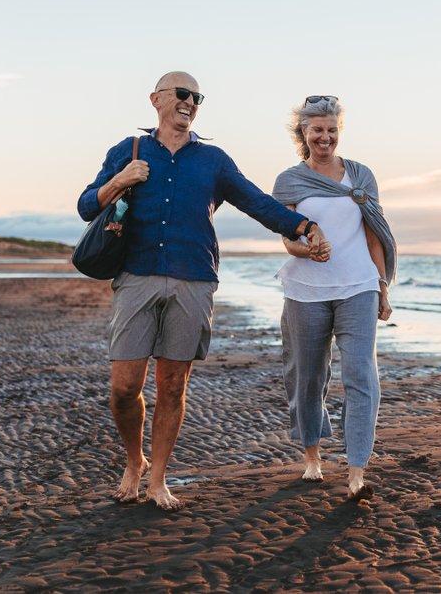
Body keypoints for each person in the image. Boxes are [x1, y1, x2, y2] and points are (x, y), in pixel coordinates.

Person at [76, 72, 329, 510]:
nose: (190, 102)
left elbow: (256, 201)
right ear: (156, 99)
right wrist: (122, 179)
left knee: (173, 386)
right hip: (136, 276)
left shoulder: (212, 160)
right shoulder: (127, 151)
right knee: (123, 387)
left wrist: (302, 226)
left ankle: (157, 480)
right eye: (182, 93)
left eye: (197, 97)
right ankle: (133, 461)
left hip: (194, 279)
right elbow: (85, 205)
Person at [272, 95, 396, 502]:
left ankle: (358, 470)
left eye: (332, 130)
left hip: (358, 286)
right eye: (317, 130)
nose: (325, 138)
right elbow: (288, 238)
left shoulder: (360, 175)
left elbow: (373, 232)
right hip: (306, 291)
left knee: (361, 376)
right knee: (308, 377)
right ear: (303, 134)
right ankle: (312, 457)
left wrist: (382, 285)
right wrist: (308, 250)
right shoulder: (289, 181)